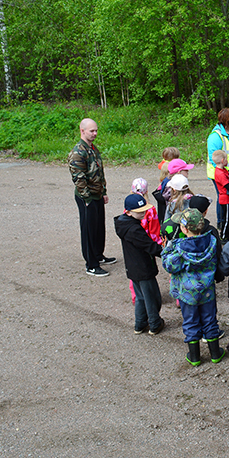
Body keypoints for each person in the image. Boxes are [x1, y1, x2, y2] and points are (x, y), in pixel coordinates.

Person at [162, 208, 223, 367]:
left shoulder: (178, 248)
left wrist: (167, 248)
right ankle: (215, 353)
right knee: (210, 319)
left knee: (190, 321)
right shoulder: (211, 241)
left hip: (187, 294)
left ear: (183, 228)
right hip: (207, 291)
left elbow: (169, 266)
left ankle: (195, 356)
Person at [69, 118, 114, 277]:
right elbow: (79, 179)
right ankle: (91, 265)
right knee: (88, 230)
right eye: (91, 131)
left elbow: (99, 173)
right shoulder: (77, 152)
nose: (95, 133)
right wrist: (87, 199)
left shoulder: (93, 149)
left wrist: (103, 192)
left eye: (96, 130)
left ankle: (98, 255)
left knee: (98, 228)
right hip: (86, 197)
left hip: (97, 195)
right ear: (82, 131)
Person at [114, 194, 165, 335]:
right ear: (129, 212)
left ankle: (140, 323)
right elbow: (150, 246)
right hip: (143, 268)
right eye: (140, 212)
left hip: (133, 268)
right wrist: (165, 252)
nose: (143, 213)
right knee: (152, 297)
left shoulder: (124, 223)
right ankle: (155, 323)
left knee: (141, 297)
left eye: (144, 210)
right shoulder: (134, 229)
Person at [207, 108, 229, 228]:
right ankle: (221, 223)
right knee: (222, 198)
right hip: (220, 174)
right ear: (227, 120)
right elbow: (213, 157)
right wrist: (222, 173)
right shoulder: (215, 136)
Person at [211, 149, 229, 235]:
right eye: (226, 159)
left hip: (225, 197)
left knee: (227, 217)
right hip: (225, 198)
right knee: (226, 219)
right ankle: (223, 235)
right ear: (223, 160)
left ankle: (226, 234)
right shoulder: (220, 173)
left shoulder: (222, 170)